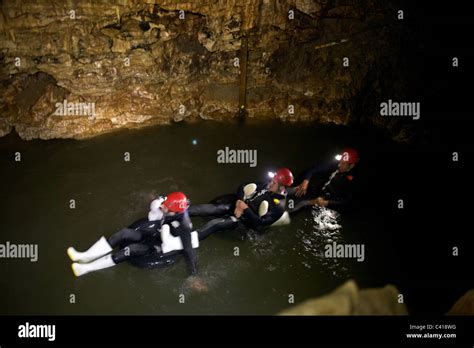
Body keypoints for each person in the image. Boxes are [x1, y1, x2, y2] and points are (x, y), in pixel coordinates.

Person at [67, 192, 207, 291]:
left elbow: (189, 250)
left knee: (131, 250)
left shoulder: (183, 225)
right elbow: (162, 201)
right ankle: (84, 256)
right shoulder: (170, 204)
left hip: (158, 247)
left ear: (176, 213)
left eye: (167, 208)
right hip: (154, 233)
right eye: (164, 204)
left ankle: (85, 269)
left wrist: (193, 276)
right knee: (124, 233)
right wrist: (154, 198)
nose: (163, 207)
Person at [189, 168, 294, 240]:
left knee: (215, 224)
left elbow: (259, 224)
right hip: (238, 206)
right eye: (272, 180)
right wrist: (240, 202)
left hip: (244, 223)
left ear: (282, 187)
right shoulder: (268, 185)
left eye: (274, 183)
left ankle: (188, 241)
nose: (270, 183)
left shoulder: (279, 207)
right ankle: (178, 212)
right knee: (211, 208)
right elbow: (243, 185)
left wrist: (245, 209)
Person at [288, 148, 359, 213]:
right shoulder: (335, 163)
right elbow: (315, 168)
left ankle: (289, 212)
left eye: (343, 164)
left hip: (327, 199)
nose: (339, 165)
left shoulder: (353, 180)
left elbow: (346, 201)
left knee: (302, 204)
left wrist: (327, 202)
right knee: (296, 191)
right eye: (340, 161)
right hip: (316, 188)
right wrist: (306, 181)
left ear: (351, 165)